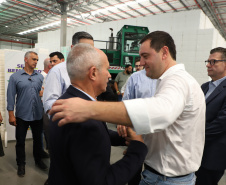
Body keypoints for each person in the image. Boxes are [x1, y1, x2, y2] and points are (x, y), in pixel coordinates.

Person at [50, 31, 206, 185]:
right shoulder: (75, 110)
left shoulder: (178, 81)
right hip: (159, 176)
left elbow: (161, 113)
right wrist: (135, 144)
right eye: (107, 69)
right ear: (93, 73)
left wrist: (89, 109)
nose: (141, 63)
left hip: (167, 179)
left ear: (164, 52)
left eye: (145, 56)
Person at [48, 43, 148, 185]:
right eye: (107, 69)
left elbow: (96, 136)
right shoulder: (85, 122)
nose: (109, 75)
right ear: (93, 73)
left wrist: (122, 136)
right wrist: (138, 148)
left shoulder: (68, 101)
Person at [7, 51, 48, 177]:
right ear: (26, 59)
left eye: (37, 60)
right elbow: (10, 96)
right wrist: (11, 114)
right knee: (20, 141)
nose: (36, 62)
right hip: (22, 115)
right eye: (34, 59)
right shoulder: (15, 77)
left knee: (37, 139)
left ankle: (38, 160)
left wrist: (43, 94)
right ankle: (21, 164)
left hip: (37, 115)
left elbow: (43, 94)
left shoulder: (40, 77)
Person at [43, 32, 94, 115]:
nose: (89, 53)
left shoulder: (91, 71)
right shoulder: (57, 71)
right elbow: (49, 103)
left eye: (91, 49)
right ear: (73, 48)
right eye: (84, 48)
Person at [195, 47, 226, 185]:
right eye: (208, 61)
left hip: (213, 157)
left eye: (213, 62)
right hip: (194, 154)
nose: (208, 65)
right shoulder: (204, 87)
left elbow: (221, 123)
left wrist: (192, 134)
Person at [122, 64, 157, 185]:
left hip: (157, 135)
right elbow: (126, 103)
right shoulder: (135, 78)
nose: (142, 62)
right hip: (137, 132)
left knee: (153, 169)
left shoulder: (169, 79)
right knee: (134, 168)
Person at [41, 58, 52, 151]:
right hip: (44, 107)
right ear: (49, 66)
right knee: (46, 128)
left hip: (48, 106)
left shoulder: (48, 76)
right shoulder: (43, 77)